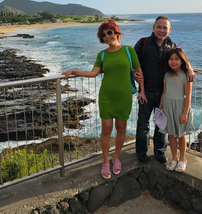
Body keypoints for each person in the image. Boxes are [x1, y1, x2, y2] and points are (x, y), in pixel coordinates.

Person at [62, 20, 146, 179]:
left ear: (116, 32)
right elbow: (93, 73)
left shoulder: (128, 50)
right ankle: (106, 161)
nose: (107, 36)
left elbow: (139, 72)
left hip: (124, 96)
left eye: (109, 32)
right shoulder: (102, 54)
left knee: (121, 128)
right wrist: (73, 71)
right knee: (106, 129)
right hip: (107, 96)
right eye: (104, 35)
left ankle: (116, 157)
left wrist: (142, 91)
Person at [134, 16, 194, 163]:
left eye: (165, 28)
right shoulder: (142, 43)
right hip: (146, 91)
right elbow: (133, 62)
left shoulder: (171, 45)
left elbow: (182, 60)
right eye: (159, 27)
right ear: (153, 28)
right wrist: (134, 74)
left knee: (162, 124)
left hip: (164, 92)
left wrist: (190, 70)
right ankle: (141, 151)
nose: (162, 30)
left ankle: (159, 151)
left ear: (169, 30)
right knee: (143, 123)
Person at [159, 48, 194, 172]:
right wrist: (161, 108)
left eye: (177, 59)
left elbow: (188, 96)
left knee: (181, 135)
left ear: (182, 60)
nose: (173, 62)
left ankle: (182, 159)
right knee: (171, 135)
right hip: (168, 107)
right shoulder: (167, 75)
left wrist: (185, 112)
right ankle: (174, 158)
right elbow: (164, 92)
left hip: (180, 108)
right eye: (171, 59)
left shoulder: (186, 76)